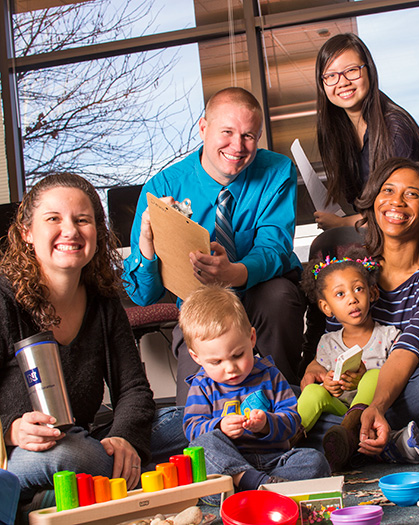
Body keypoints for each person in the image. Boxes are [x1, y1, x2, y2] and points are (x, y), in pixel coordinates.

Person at [0, 173, 187, 509]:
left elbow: (133, 389)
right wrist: (9, 430)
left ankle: (70, 495)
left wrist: (125, 437)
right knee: (71, 451)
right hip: (23, 455)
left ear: (97, 234)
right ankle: (132, 482)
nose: (70, 230)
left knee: (196, 420)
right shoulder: (3, 298)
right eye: (53, 219)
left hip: (90, 440)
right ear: (27, 232)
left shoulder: (102, 298)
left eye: (82, 220)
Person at [122, 87, 305, 401]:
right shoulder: (164, 186)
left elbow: (274, 247)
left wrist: (232, 273)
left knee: (279, 296)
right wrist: (147, 243)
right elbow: (143, 295)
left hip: (262, 295)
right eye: (227, 132)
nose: (237, 146)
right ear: (203, 128)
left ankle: (289, 408)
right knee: (190, 418)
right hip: (200, 309)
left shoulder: (277, 171)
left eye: (249, 136)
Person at [307, 156, 419, 459]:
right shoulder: (351, 268)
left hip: (407, 388)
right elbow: (333, 340)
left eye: (412, 194)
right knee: (290, 398)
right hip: (349, 396)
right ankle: (389, 443)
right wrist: (320, 372)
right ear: (374, 200)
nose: (397, 202)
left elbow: (408, 348)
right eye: (388, 191)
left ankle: (349, 437)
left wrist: (376, 405)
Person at [180, 285, 330, 492]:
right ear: (196, 357)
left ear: (251, 338)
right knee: (203, 445)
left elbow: (293, 421)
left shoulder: (269, 375)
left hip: (274, 461)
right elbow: (192, 428)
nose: (230, 368)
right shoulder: (202, 385)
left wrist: (267, 423)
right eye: (216, 362)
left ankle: (258, 488)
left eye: (237, 355)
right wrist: (220, 426)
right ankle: (252, 482)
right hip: (228, 469)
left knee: (315, 460)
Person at [313, 32, 419, 231]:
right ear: (322, 84)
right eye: (331, 75)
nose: (342, 82)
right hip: (389, 237)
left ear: (369, 71)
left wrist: (342, 224)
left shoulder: (394, 130)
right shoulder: (340, 135)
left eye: (351, 71)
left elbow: (399, 209)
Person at [298, 250, 419, 471]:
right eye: (340, 294)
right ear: (326, 307)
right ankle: (288, 440)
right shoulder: (327, 342)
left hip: (376, 411)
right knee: (312, 392)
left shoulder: (389, 336)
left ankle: (349, 433)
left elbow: (397, 378)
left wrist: (362, 381)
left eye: (358, 289)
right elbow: (321, 378)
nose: (352, 298)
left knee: (375, 374)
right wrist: (328, 384)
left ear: (373, 293)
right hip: (340, 408)